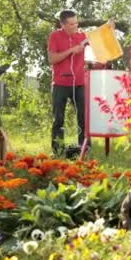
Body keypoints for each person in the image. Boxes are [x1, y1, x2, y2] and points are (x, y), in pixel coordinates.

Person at [47, 10, 89, 157]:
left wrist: (108, 27)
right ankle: (58, 151)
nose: (75, 26)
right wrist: (72, 50)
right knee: (58, 119)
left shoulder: (82, 36)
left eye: (76, 23)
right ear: (62, 24)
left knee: (83, 118)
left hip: (79, 83)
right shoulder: (55, 36)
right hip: (60, 83)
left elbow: (98, 39)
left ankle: (83, 150)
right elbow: (52, 59)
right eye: (71, 24)